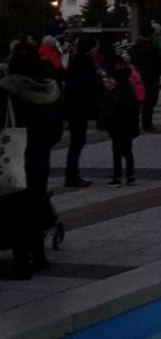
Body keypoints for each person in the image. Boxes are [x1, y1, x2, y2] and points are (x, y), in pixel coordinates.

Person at [0, 45, 61, 279]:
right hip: (40, 155)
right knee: (36, 202)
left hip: (12, 154)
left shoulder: (8, 92)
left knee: (15, 208)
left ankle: (21, 263)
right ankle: (39, 256)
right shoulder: (50, 91)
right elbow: (57, 130)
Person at [63, 35, 102, 187]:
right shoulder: (83, 63)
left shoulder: (78, 61)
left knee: (77, 142)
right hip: (78, 109)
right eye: (95, 47)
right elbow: (85, 86)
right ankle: (71, 175)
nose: (96, 50)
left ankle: (72, 174)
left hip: (77, 108)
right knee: (77, 142)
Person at [100, 65, 141, 187]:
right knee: (128, 152)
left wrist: (106, 124)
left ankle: (117, 177)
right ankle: (130, 176)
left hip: (118, 127)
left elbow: (110, 111)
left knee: (117, 152)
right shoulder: (130, 90)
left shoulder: (115, 92)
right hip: (129, 127)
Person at [129, 27, 161, 133]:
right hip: (151, 78)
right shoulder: (152, 48)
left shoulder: (135, 48)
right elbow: (159, 59)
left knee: (137, 103)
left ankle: (134, 125)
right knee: (149, 102)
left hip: (138, 78)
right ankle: (147, 124)